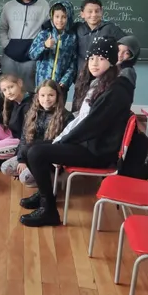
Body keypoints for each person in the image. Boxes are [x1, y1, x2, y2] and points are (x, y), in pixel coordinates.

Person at [23, 36, 134, 227]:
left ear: (112, 60)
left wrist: (63, 141)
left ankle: (49, 210)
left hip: (98, 151)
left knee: (36, 152)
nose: (94, 63)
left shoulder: (117, 89)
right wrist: (61, 138)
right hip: (86, 143)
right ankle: (45, 194)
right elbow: (81, 119)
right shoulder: (99, 83)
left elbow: (91, 125)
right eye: (91, 58)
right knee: (28, 149)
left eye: (101, 58)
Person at [1, 79, 68, 188]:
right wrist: (22, 159)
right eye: (42, 95)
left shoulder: (65, 116)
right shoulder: (32, 113)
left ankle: (51, 180)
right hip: (29, 153)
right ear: (38, 97)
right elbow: (24, 138)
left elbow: (62, 146)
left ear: (57, 96)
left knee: (25, 178)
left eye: (50, 95)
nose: (46, 99)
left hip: (49, 159)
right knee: (6, 168)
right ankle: (37, 177)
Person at [0, 0, 49, 87]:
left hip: (31, 54)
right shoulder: (9, 6)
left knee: (29, 87)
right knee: (8, 86)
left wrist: (38, 47)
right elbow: (2, 28)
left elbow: (47, 29)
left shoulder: (44, 5)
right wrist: (6, 45)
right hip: (10, 54)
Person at [28, 3, 77, 95]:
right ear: (52, 17)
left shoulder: (72, 38)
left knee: (58, 108)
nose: (60, 20)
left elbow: (73, 62)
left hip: (60, 86)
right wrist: (44, 46)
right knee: (41, 107)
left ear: (69, 18)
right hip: (42, 84)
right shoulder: (44, 34)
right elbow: (32, 55)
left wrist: (65, 81)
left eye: (64, 17)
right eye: (57, 16)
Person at [73, 0, 127, 71]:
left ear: (101, 12)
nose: (94, 14)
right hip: (81, 75)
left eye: (97, 11)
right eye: (90, 11)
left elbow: (127, 45)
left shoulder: (110, 28)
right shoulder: (77, 28)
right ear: (82, 14)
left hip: (104, 76)